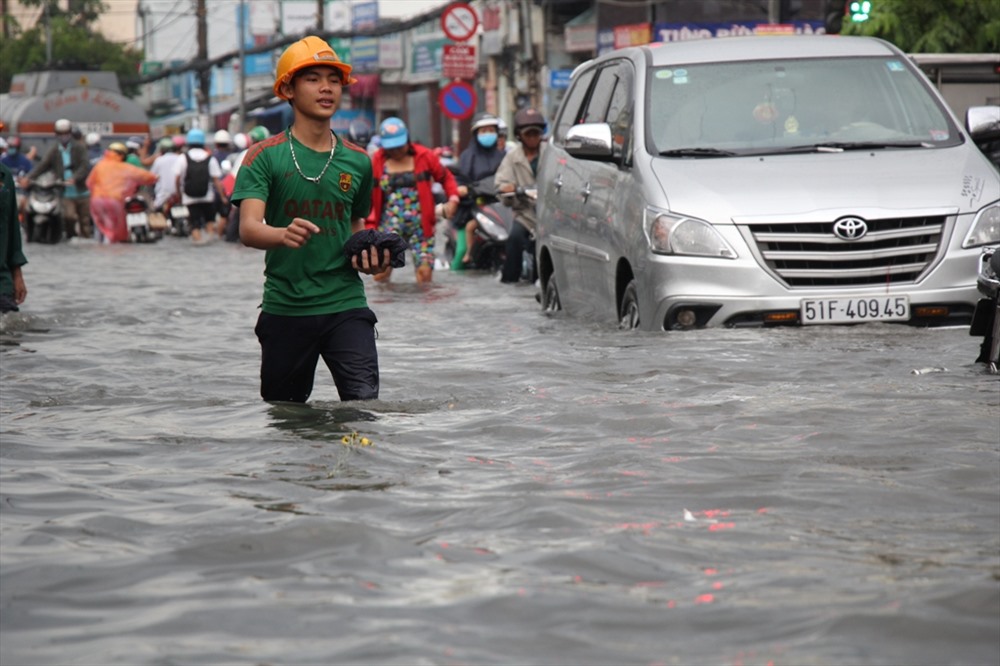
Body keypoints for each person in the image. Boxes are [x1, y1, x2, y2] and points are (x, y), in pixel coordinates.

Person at [232, 35, 390, 404]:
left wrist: (369, 258)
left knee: (363, 409)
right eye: (313, 78)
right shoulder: (263, 157)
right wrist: (282, 234)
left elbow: (355, 229)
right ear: (287, 87)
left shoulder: (359, 161)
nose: (326, 88)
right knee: (286, 418)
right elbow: (249, 229)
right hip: (285, 306)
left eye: (334, 80)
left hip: (346, 304)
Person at [367, 116, 459, 284]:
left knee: (424, 276)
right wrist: (368, 225)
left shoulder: (424, 156)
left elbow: (446, 178)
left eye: (399, 145)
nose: (396, 151)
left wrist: (453, 199)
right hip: (389, 227)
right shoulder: (377, 161)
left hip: (422, 227)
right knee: (380, 275)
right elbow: (367, 195)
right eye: (391, 147)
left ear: (407, 140)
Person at [495, 107, 548, 284]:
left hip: (551, 213)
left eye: (536, 133)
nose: (533, 138)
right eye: (528, 134)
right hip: (526, 214)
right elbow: (502, 184)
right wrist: (507, 188)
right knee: (515, 239)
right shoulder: (512, 158)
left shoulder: (551, 152)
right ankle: (509, 280)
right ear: (519, 136)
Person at [23, 118, 93, 239]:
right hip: (64, 191)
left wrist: (75, 178)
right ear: (56, 134)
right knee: (69, 217)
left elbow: (84, 165)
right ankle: (71, 237)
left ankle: (86, 241)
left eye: (66, 133)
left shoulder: (79, 148)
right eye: (60, 133)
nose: (63, 136)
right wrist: (28, 178)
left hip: (81, 191)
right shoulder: (54, 150)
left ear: (70, 133)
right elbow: (43, 165)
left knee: (84, 221)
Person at [453, 112, 506, 268]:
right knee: (461, 250)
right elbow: (459, 179)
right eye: (484, 131)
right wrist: (461, 189)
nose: (488, 134)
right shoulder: (467, 157)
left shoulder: (503, 156)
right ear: (476, 134)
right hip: (471, 208)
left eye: (491, 130)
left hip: (501, 207)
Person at [86, 142, 158, 243]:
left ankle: (102, 245)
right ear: (122, 155)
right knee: (116, 229)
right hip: (115, 201)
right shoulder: (125, 167)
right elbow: (147, 176)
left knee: (100, 226)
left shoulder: (99, 166)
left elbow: (89, 183)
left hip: (97, 201)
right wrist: (156, 178)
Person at [173, 127, 225, 243]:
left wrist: (178, 193)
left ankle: (198, 241)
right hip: (207, 196)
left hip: (189, 197)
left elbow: (177, 178)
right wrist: (222, 197)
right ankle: (210, 241)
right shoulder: (210, 158)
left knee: (194, 223)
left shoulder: (183, 158)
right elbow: (216, 180)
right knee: (209, 220)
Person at [0, 162, 28, 313]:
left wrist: (17, 274)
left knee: (10, 329)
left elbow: (12, 227)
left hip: (2, 280)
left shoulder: (4, 175)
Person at [149, 137, 182, 213]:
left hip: (162, 196)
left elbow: (151, 177)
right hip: (179, 194)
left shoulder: (159, 160)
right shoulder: (180, 158)